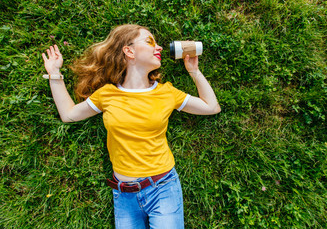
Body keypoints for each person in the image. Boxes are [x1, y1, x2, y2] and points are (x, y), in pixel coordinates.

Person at [42, 24, 221, 229]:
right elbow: (69, 115)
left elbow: (211, 107)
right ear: (129, 51)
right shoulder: (107, 94)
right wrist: (55, 74)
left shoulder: (167, 93)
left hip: (163, 188)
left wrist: (194, 71)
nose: (159, 47)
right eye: (150, 41)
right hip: (124, 194)